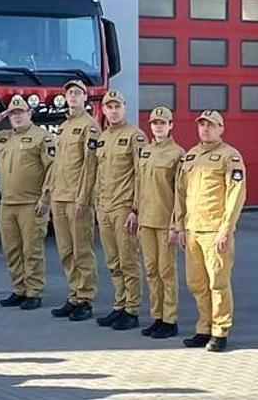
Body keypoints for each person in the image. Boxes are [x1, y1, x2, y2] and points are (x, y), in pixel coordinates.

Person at [0, 96, 54, 310]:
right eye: (13, 113)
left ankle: (34, 292)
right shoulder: (3, 137)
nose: (17, 117)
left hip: (31, 204)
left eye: (21, 112)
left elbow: (52, 169)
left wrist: (46, 198)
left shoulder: (42, 137)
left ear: (29, 113)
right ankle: (19, 289)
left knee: (31, 251)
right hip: (7, 204)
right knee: (12, 250)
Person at [175, 110, 246, 352]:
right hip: (192, 230)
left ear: (221, 128)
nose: (205, 129)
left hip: (214, 231)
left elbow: (236, 194)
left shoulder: (230, 156)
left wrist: (226, 229)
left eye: (211, 125)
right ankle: (204, 327)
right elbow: (181, 193)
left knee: (218, 283)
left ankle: (220, 330)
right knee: (196, 283)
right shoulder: (191, 156)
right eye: (202, 125)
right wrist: (179, 226)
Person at [46, 80, 101, 320]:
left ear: (85, 97)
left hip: (77, 199)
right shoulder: (64, 127)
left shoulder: (90, 126)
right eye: (70, 93)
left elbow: (90, 166)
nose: (73, 97)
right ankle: (74, 295)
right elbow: (56, 164)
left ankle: (85, 299)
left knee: (82, 251)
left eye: (78, 93)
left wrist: (83, 198)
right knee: (66, 251)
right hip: (59, 197)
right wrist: (49, 194)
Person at [92, 91, 146, 331]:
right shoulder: (103, 138)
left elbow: (141, 174)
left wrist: (136, 208)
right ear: (103, 110)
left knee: (128, 260)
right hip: (104, 207)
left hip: (124, 207)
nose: (113, 111)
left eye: (117, 107)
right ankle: (119, 305)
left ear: (125, 108)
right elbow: (99, 173)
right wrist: (96, 203)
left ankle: (132, 310)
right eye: (109, 107)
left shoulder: (135, 136)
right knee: (113, 261)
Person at [130, 106, 184, 339]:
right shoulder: (145, 151)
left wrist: (176, 225)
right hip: (146, 221)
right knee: (151, 271)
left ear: (171, 125)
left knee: (166, 272)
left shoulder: (178, 154)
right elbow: (139, 184)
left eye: (163, 123)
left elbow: (180, 193)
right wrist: (135, 211)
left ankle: (170, 320)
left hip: (164, 222)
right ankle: (157, 317)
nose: (158, 127)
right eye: (154, 123)